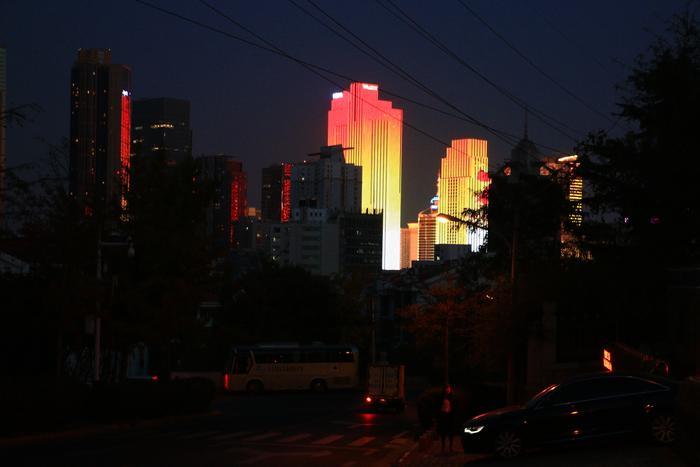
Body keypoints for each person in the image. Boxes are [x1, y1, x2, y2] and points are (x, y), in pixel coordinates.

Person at [436, 384, 455, 453]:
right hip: (443, 415)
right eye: (446, 388)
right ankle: (443, 447)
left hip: (450, 415)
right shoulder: (441, 397)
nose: (447, 390)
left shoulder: (452, 397)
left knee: (451, 431)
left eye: (448, 388)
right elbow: (438, 406)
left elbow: (455, 406)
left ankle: (451, 447)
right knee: (443, 431)